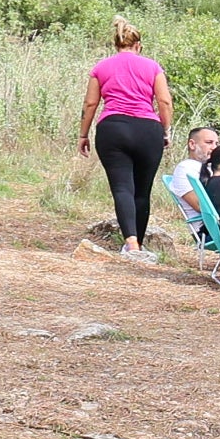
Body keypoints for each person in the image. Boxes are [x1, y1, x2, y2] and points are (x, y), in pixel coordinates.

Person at [77, 19, 175, 263]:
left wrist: (83, 134)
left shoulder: (101, 67)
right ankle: (138, 245)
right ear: (138, 45)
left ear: (116, 44)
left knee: (122, 187)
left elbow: (90, 103)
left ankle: (130, 242)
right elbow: (164, 102)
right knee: (142, 190)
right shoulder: (152, 67)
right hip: (147, 129)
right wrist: (166, 129)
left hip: (113, 129)